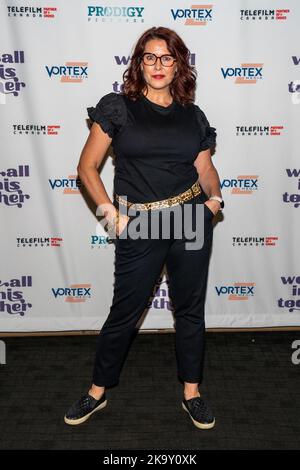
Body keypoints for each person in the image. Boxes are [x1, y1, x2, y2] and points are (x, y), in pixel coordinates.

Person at [64, 26, 224, 430]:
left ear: (179, 65)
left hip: (190, 218)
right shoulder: (118, 107)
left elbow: (204, 168)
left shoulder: (192, 115)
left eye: (167, 57)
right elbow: (86, 168)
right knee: (125, 312)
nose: (158, 65)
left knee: (189, 311)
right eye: (149, 57)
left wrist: (214, 200)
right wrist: (110, 215)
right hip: (139, 224)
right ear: (138, 63)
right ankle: (98, 391)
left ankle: (192, 392)